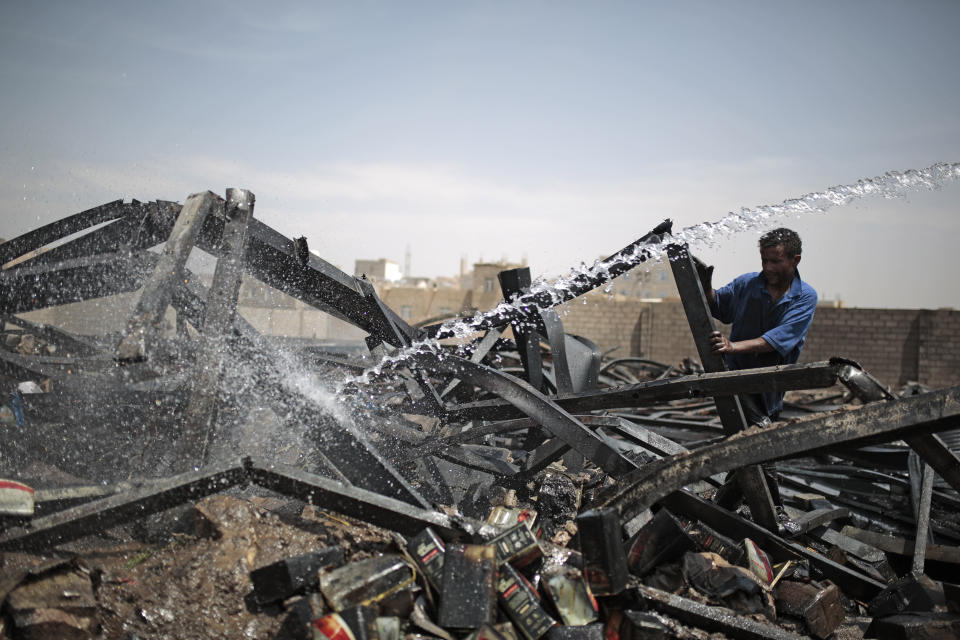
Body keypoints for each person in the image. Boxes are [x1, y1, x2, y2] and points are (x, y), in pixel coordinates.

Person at [696, 227, 818, 425]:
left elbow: (777, 339)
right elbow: (718, 305)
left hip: (770, 387)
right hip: (734, 380)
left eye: (775, 261)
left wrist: (733, 346)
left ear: (795, 260)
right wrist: (705, 287)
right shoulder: (746, 284)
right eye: (764, 260)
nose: (768, 267)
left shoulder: (804, 297)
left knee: (761, 436)